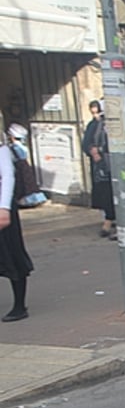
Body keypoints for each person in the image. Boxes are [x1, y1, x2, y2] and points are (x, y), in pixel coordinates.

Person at [0, 119, 34, 322]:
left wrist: (4, 208)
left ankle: (19, 305)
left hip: (2, 207)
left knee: (11, 254)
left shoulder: (2, 147)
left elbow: (8, 176)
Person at [82, 100, 116, 238]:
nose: (96, 115)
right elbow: (86, 143)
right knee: (104, 193)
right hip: (99, 167)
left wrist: (100, 150)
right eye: (93, 113)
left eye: (98, 112)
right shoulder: (92, 125)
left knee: (112, 192)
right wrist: (92, 151)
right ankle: (108, 218)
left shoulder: (111, 125)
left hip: (112, 164)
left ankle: (109, 221)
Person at [6, 124, 46, 208]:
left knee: (22, 184)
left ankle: (25, 200)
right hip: (25, 166)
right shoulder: (23, 146)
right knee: (28, 184)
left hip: (19, 167)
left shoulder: (14, 147)